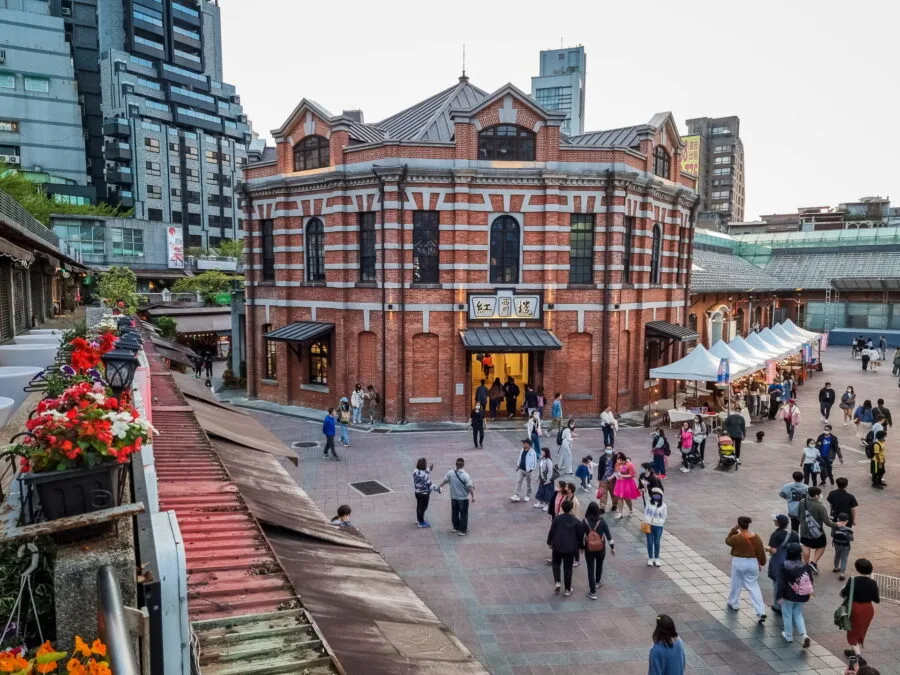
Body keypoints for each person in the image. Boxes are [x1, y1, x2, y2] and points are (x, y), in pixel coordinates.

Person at [726, 516, 768, 623]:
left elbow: (727, 541)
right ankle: (760, 611)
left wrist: (733, 530)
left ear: (739, 525)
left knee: (736, 582)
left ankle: (733, 602)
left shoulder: (736, 538)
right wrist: (762, 562)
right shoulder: (756, 537)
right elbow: (761, 553)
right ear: (748, 525)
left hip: (738, 562)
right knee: (753, 586)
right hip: (752, 563)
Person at [841, 558, 880, 661]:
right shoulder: (873, 583)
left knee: (852, 632)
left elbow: (843, 594)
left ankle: (858, 655)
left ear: (857, 568)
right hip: (868, 609)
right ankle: (853, 650)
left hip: (855, 608)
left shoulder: (853, 580)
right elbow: (876, 599)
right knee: (860, 630)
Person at [780, 542, 814, 648]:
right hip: (803, 595)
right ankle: (804, 635)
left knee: (787, 613)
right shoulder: (805, 566)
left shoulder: (785, 565)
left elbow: (781, 583)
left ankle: (788, 635)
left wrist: (779, 595)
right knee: (798, 614)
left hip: (789, 595)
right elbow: (811, 580)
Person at [547, 499, 583, 596]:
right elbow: (580, 536)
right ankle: (567, 589)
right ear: (571, 509)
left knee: (556, 563)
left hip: (557, 546)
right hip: (570, 548)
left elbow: (552, 531)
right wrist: (580, 547)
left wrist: (549, 542)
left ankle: (557, 582)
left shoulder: (557, 519)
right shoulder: (576, 521)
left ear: (562, 508)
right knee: (568, 568)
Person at [581, 501, 614, 599]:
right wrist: (612, 547)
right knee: (600, 564)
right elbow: (608, 536)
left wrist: (581, 547)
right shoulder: (602, 521)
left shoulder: (584, 522)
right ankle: (598, 582)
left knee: (590, 569)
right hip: (601, 548)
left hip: (589, 549)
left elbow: (580, 536)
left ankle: (593, 592)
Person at [767, 514, 799, 614]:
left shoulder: (776, 535)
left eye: (775, 521)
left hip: (779, 563)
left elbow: (774, 551)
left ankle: (778, 606)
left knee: (777, 584)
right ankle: (790, 604)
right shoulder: (794, 534)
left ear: (778, 523)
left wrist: (766, 548)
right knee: (789, 584)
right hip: (792, 562)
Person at [797, 486, 834, 571]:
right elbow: (827, 521)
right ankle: (813, 562)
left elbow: (798, 515)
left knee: (806, 546)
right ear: (816, 495)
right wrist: (837, 525)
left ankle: (805, 565)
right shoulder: (820, 506)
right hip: (817, 532)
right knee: (821, 545)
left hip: (804, 531)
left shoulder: (802, 502)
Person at [438, 458, 475, 536]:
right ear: (463, 465)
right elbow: (469, 487)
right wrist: (473, 496)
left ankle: (455, 527)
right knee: (464, 514)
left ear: (456, 464)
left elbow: (445, 481)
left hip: (454, 497)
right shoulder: (466, 475)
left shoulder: (450, 472)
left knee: (454, 512)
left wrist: (439, 487)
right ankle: (462, 530)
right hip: (463, 498)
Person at [412, 458, 441, 528]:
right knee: (423, 508)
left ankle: (419, 519)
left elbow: (422, 473)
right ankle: (421, 522)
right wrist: (438, 489)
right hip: (424, 494)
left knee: (419, 506)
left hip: (417, 492)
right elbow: (430, 484)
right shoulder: (424, 475)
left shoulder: (415, 471)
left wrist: (429, 469)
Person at [644, 488, 667, 567]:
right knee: (650, 542)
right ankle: (650, 558)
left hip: (659, 526)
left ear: (661, 496)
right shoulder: (648, 503)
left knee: (657, 542)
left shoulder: (664, 506)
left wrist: (660, 522)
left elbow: (664, 516)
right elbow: (646, 494)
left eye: (658, 494)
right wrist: (645, 487)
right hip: (649, 525)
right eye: (654, 494)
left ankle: (656, 558)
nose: (656, 496)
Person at [612, 452, 639, 519]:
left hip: (627, 483)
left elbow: (632, 475)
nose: (617, 460)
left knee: (627, 499)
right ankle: (620, 513)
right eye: (617, 459)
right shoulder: (617, 464)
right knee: (619, 498)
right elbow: (616, 472)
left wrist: (623, 475)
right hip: (619, 483)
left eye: (618, 459)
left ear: (622, 459)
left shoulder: (629, 465)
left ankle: (631, 511)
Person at [511, 438, 537, 502]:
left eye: (525, 443)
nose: (523, 444)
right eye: (523, 443)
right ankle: (516, 495)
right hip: (521, 469)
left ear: (528, 444)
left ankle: (528, 495)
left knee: (529, 484)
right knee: (518, 482)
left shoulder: (532, 452)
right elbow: (520, 458)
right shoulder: (522, 449)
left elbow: (534, 462)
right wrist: (518, 466)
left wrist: (531, 469)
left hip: (528, 471)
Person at [830, 513, 855, 581]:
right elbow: (852, 539)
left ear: (838, 519)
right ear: (847, 521)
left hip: (836, 544)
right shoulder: (848, 529)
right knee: (844, 559)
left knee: (837, 555)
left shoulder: (834, 527)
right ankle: (842, 574)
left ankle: (836, 568)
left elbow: (832, 535)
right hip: (845, 546)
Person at [595, 447, 616, 511]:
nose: (608, 450)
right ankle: (602, 507)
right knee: (603, 494)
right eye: (607, 449)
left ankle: (615, 505)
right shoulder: (602, 458)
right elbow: (600, 468)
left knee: (614, 493)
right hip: (604, 478)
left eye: (610, 449)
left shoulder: (615, 457)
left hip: (613, 479)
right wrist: (599, 479)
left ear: (612, 450)